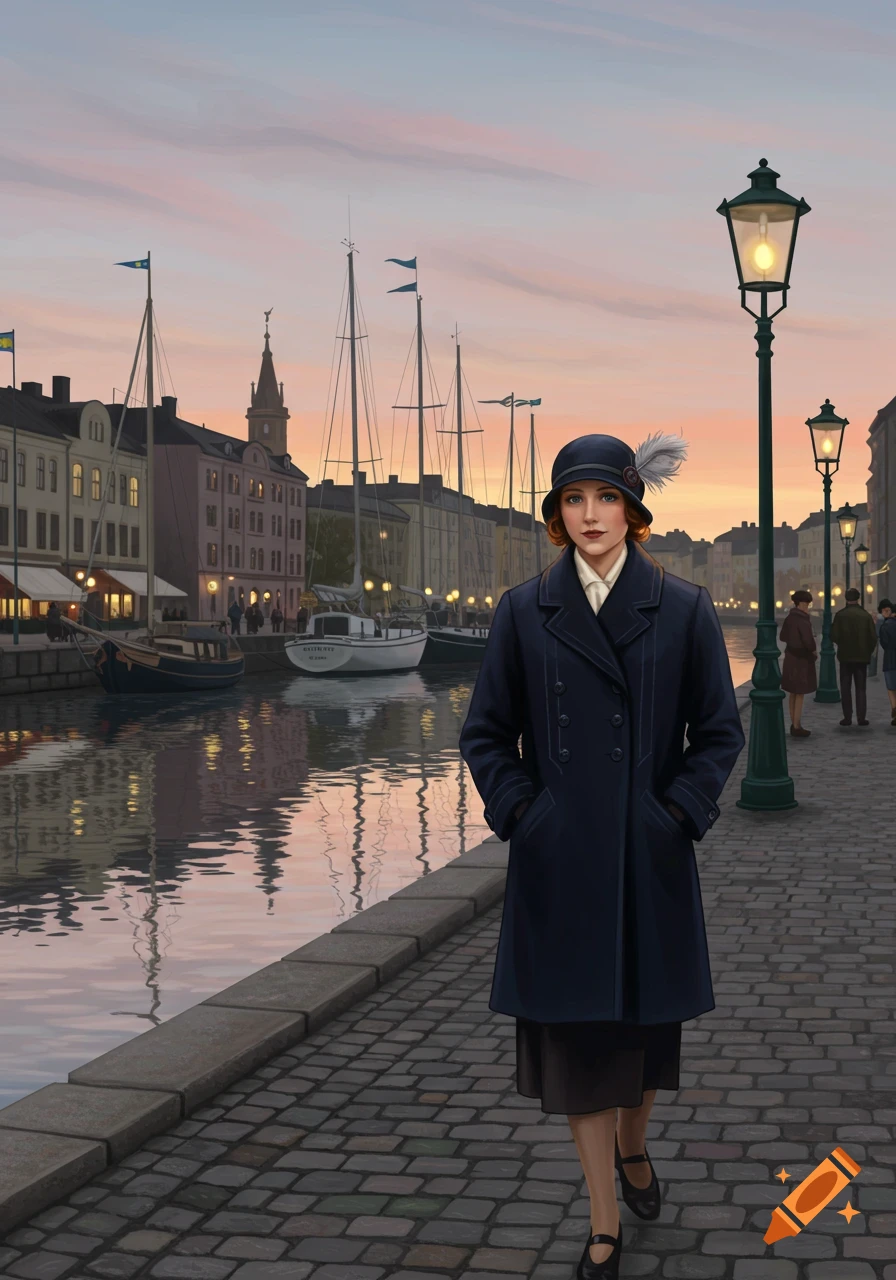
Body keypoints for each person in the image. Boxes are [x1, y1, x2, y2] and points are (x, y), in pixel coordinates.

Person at [458, 433, 745, 1279]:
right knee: (583, 1048)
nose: (590, 516)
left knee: (646, 1040)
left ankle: (633, 1144)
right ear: (556, 516)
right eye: (573, 501)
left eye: (605, 499)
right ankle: (604, 1217)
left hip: (648, 859)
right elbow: (485, 734)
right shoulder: (522, 610)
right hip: (561, 863)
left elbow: (719, 733)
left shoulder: (684, 607)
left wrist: (677, 814)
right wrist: (525, 812)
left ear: (634, 509)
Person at [830, 587, 879, 726]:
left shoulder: (840, 615)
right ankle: (861, 718)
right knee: (861, 688)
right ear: (858, 598)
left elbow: (834, 636)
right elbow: (873, 637)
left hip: (845, 657)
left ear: (846, 598)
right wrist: (867, 651)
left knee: (845, 688)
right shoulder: (865, 616)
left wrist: (842, 644)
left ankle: (847, 718)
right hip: (861, 657)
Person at [778, 589, 817, 737]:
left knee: (792, 692)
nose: (808, 606)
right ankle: (797, 725)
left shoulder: (789, 618)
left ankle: (793, 723)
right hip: (801, 659)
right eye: (806, 603)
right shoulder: (803, 619)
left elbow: (782, 637)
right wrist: (813, 650)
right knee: (799, 692)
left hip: (790, 657)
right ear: (800, 603)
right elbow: (808, 641)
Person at [878, 599, 896, 726]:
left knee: (891, 688)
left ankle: (894, 710)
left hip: (890, 659)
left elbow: (884, 644)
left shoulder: (885, 626)